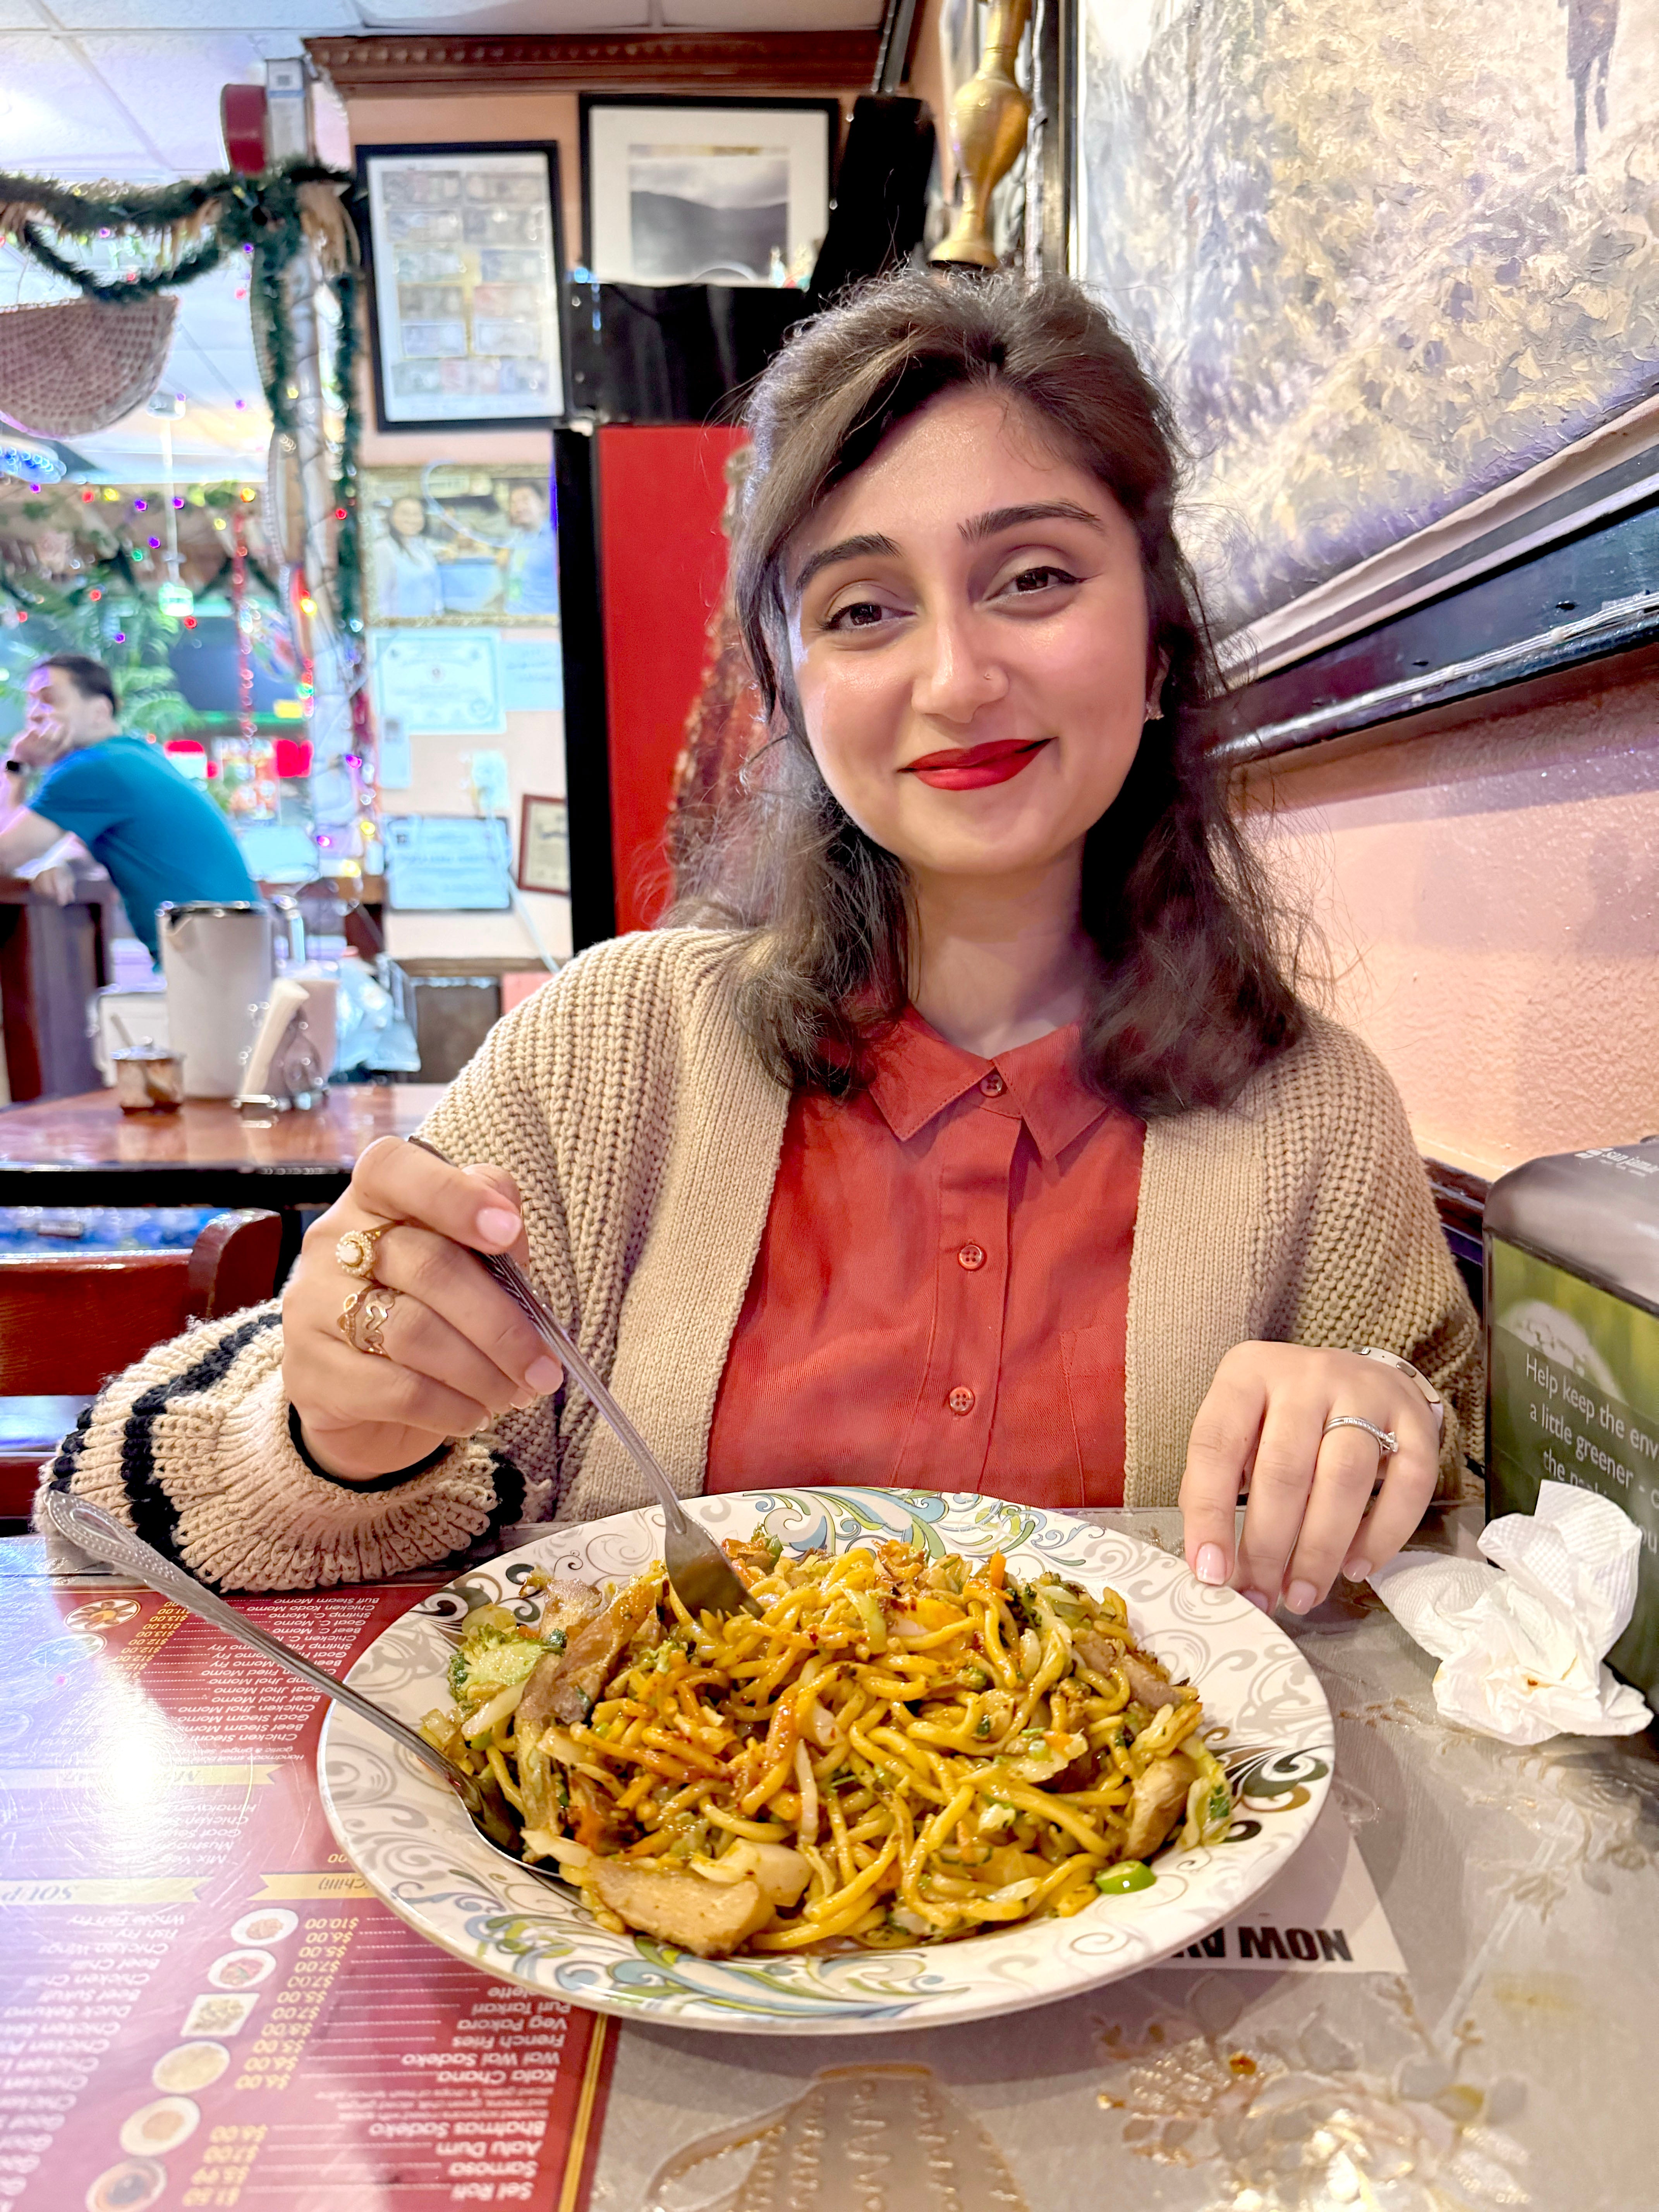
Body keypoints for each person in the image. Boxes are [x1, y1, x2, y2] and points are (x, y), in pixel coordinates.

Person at [41, 272, 1479, 1608]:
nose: (955, 677)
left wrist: (1384, 1436)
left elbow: (1455, 1553)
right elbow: (100, 1505)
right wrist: (334, 1435)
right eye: (862, 609)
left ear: (1159, 643)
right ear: (790, 691)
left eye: (1034, 578)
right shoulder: (613, 1054)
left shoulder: (1315, 1115)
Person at [2, 654, 258, 961]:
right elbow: (91, 845)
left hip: (209, 966)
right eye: (31, 702)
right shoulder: (132, 756)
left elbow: (6, 855)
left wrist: (17, 764)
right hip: (237, 956)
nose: (35, 715)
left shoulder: (92, 768)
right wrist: (63, 863)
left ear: (100, 711)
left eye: (50, 700)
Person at [375, 493, 445, 620]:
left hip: (426, 625)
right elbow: (380, 597)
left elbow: (434, 591)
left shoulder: (422, 547)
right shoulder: (383, 548)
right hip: (398, 627)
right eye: (405, 514)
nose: (411, 519)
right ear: (391, 517)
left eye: (417, 514)